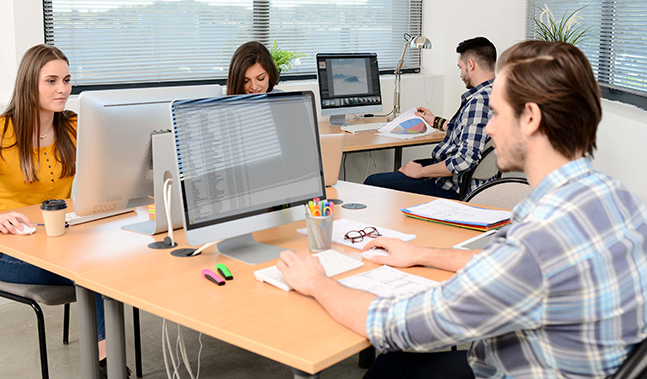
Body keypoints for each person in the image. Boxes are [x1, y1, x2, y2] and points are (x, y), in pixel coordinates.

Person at [277, 41, 647, 378]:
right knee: (398, 364)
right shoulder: (616, 198)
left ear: (530, 118)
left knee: (396, 353)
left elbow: (400, 324)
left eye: (497, 114)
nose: (488, 129)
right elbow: (509, 267)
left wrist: (317, 283)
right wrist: (421, 254)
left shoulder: (536, 240)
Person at [0, 45, 123, 376]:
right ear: (30, 84)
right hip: (10, 252)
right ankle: (107, 364)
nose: (63, 89)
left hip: (67, 241)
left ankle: (106, 362)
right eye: (52, 81)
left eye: (68, 80)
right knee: (97, 275)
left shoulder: (74, 127)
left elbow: (108, 169)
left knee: (111, 266)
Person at [364, 37, 496, 199]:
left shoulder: (479, 101)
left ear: (470, 64)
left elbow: (465, 159)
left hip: (456, 187)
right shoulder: (497, 93)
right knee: (412, 164)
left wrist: (421, 172)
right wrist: (436, 122)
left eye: (460, 67)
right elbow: (474, 132)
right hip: (475, 183)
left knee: (374, 182)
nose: (461, 74)